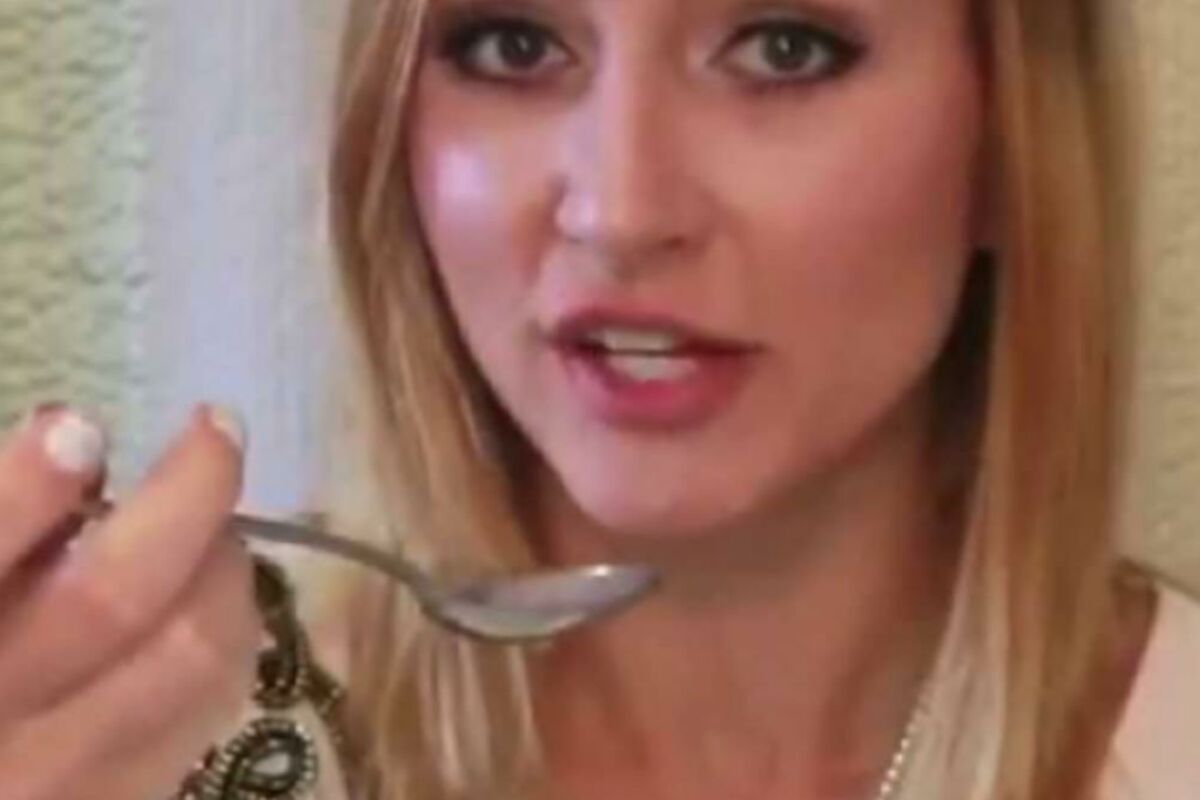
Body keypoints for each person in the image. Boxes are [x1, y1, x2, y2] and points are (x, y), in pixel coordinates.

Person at [1, 0, 1197, 799]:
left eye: (785, 48)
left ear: (1010, 139)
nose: (622, 211)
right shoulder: (164, 745)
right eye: (515, 45)